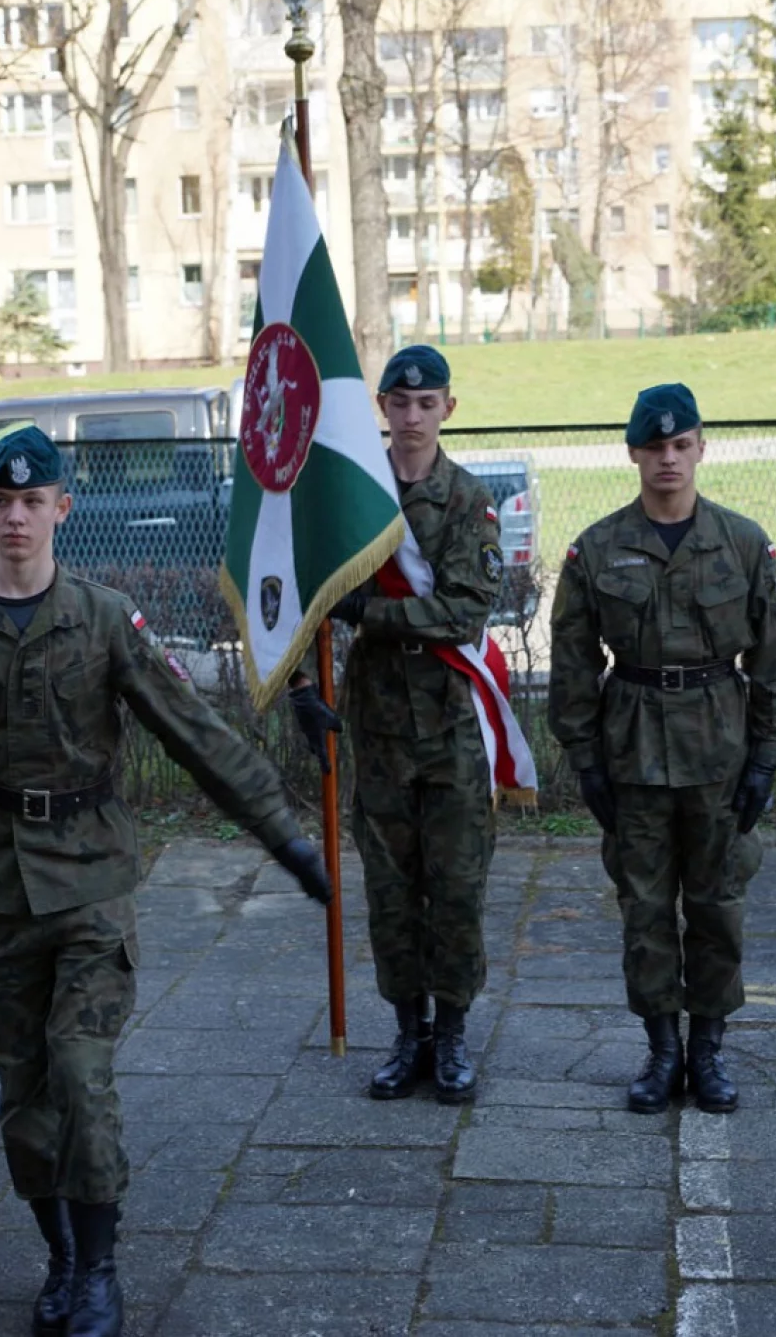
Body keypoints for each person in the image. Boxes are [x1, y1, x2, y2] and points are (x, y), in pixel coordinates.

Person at [0, 427, 331, 1337]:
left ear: (60, 511)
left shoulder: (106, 618)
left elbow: (194, 733)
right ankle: (62, 1258)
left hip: (88, 882)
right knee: (26, 1096)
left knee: (82, 1075)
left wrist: (285, 839)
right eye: (0, 502)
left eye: (32, 503)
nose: (15, 517)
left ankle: (103, 1271)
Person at [547, 383, 776, 1115]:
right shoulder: (595, 549)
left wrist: (765, 761)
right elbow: (572, 667)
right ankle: (661, 1054)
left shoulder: (744, 543)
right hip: (632, 754)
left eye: (680, 445)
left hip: (721, 754)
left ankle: (709, 1053)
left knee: (719, 906)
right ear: (633, 454)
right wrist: (586, 759)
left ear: (700, 447)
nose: (668, 459)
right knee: (645, 909)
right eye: (654, 447)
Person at [290, 344, 506, 1105]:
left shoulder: (469, 500)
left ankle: (450, 1037)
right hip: (377, 721)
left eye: (427, 403)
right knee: (389, 888)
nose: (411, 416)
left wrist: (368, 613)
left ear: (449, 408)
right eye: (398, 402)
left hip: (449, 725)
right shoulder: (356, 498)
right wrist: (299, 684)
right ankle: (406, 1032)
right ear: (380, 407)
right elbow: (304, 596)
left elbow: (462, 611)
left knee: (454, 887)